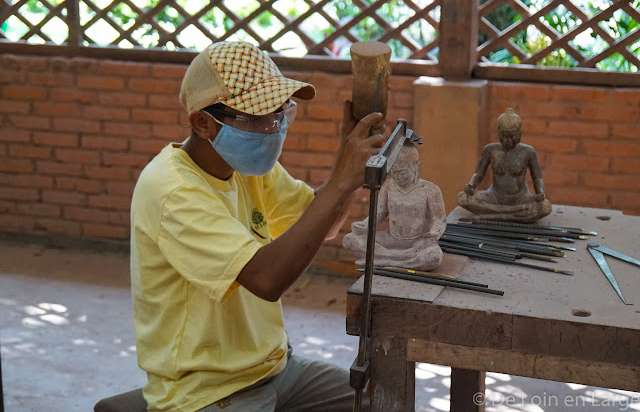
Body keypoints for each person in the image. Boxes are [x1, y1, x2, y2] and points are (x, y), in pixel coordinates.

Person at [129, 41, 386, 411]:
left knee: (381, 398)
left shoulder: (242, 166)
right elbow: (267, 280)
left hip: (274, 368)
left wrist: (349, 164)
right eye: (255, 118)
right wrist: (343, 180)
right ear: (203, 123)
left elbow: (320, 223)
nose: (272, 129)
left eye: (280, 113)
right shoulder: (173, 192)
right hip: (207, 391)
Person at [343, 143, 447, 271]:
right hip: (391, 239)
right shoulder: (388, 186)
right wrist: (364, 225)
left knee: (433, 257)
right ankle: (401, 260)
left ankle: (382, 260)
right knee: (349, 240)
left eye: (402, 172)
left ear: (416, 167)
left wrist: (434, 233)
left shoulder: (430, 190)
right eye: (393, 172)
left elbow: (439, 219)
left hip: (417, 242)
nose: (397, 177)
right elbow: (378, 213)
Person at [456, 108, 552, 222]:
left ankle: (493, 215)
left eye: (512, 136)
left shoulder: (528, 152)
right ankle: (514, 216)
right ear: (498, 133)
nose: (508, 141)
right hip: (494, 196)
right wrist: (471, 185)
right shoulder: (490, 150)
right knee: (462, 198)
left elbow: (538, 177)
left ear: (520, 133)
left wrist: (540, 192)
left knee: (545, 206)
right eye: (504, 136)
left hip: (520, 198)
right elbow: (479, 173)